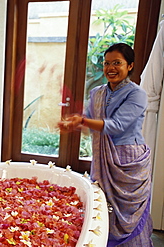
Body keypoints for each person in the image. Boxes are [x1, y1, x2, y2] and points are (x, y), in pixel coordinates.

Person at [58, 43, 153, 246]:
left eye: (117, 63)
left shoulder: (137, 94)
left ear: (130, 66)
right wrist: (73, 123)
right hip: (103, 161)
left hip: (128, 162)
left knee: (128, 213)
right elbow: (90, 122)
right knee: (102, 206)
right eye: (107, 63)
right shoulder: (97, 93)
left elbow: (116, 126)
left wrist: (82, 121)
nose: (111, 68)